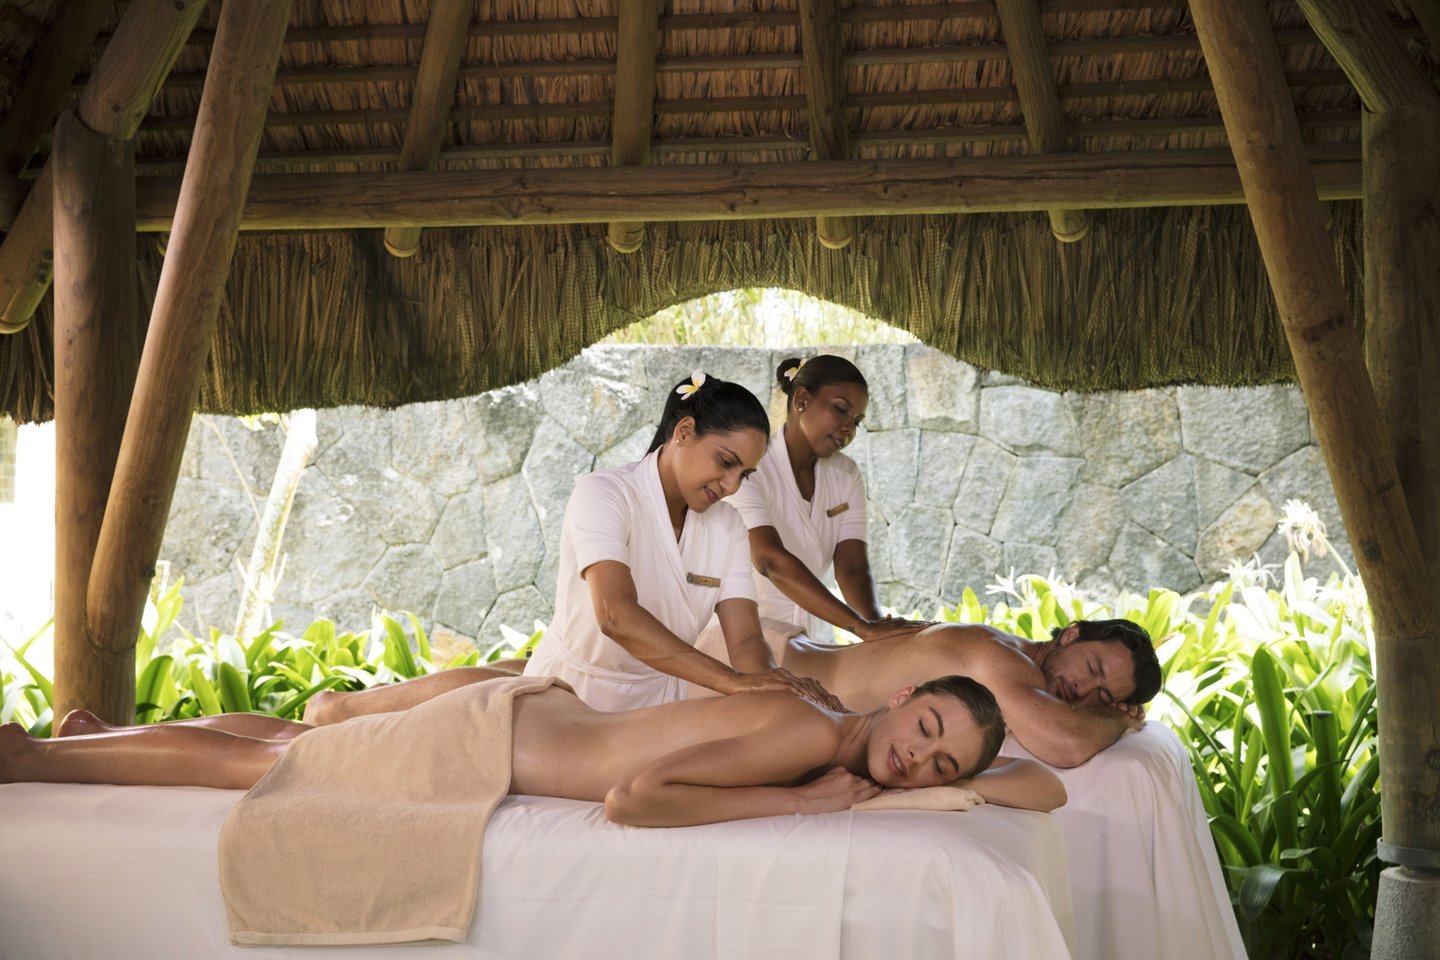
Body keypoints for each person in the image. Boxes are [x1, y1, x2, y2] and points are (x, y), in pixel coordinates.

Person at [301, 370, 837, 723]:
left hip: (657, 703)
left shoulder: (727, 527)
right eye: (725, 462)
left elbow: (746, 640)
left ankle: (345, 709)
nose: (732, 486)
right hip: (566, 694)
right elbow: (615, 616)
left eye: (745, 474)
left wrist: (771, 686)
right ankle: (341, 712)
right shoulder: (604, 494)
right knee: (470, 704)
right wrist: (733, 683)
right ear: (683, 432)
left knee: (501, 674)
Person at [3, 673, 1066, 827]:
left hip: (527, 716)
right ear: (905, 699)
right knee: (268, 768)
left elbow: (1038, 789)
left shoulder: (827, 715)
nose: (918, 763)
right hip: (492, 741)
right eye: (927, 731)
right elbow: (635, 802)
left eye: (942, 768)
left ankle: (100, 735)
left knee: (289, 733)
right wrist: (800, 803)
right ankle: (32, 762)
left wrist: (972, 767)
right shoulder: (807, 736)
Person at [739, 617, 1163, 769]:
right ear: (1070, 635)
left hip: (783, 666)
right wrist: (1115, 716)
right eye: (1092, 668)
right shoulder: (1000, 658)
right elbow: (1066, 743)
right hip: (756, 670)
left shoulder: (1013, 658)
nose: (1083, 690)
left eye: (1101, 696)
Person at [728, 355, 923, 644]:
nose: (849, 429)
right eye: (840, 410)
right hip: (750, 637)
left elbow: (852, 568)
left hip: (816, 640)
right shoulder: (752, 468)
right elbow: (769, 560)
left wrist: (880, 635)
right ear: (802, 400)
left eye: (857, 421)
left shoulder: (846, 474)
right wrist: (861, 628)